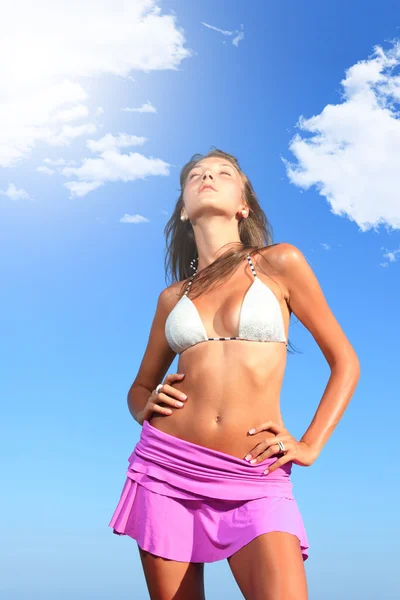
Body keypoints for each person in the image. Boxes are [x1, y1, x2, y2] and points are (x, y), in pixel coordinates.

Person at [108, 148, 360, 600]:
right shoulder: (172, 299)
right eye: (197, 175)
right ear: (184, 209)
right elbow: (139, 385)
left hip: (254, 472)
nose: (208, 176)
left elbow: (345, 360)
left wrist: (310, 444)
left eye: (224, 173)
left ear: (242, 204)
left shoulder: (279, 264)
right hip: (166, 467)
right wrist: (143, 406)